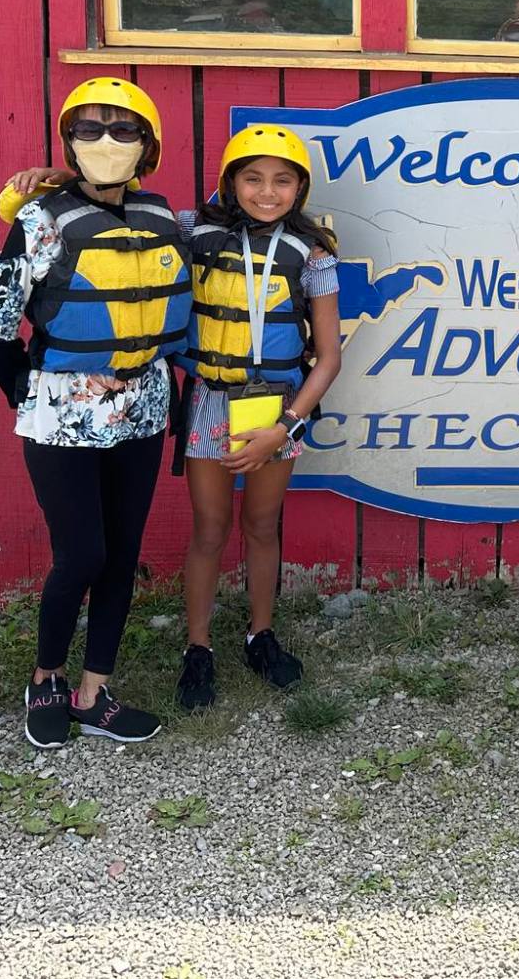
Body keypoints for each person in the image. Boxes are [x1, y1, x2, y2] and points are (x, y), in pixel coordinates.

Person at [0, 77, 191, 750]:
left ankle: (94, 692)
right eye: (89, 129)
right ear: (69, 142)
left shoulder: (163, 219)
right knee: (82, 555)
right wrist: (28, 388)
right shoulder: (39, 220)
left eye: (123, 130)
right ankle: (46, 678)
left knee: (121, 556)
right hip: (62, 415)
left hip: (143, 410)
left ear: (148, 146)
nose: (106, 142)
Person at [173, 124, 343, 704]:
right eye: (252, 178)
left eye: (281, 181)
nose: (267, 192)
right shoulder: (192, 231)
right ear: (231, 182)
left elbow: (329, 357)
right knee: (210, 527)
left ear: (300, 188)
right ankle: (198, 648)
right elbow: (122, 206)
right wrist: (61, 180)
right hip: (209, 400)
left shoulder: (313, 256)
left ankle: (260, 634)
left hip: (276, 407)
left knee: (262, 525)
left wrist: (285, 427)